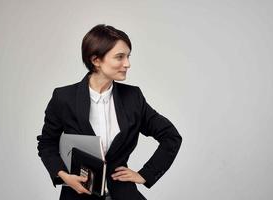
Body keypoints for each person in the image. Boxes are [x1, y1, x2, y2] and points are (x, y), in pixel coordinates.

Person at [37, 24, 182, 200]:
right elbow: (47, 144)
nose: (127, 64)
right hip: (78, 193)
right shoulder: (64, 97)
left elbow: (170, 136)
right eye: (119, 57)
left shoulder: (133, 97)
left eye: (128, 56)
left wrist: (146, 174)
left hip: (122, 194)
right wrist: (63, 175)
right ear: (96, 60)